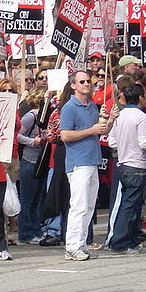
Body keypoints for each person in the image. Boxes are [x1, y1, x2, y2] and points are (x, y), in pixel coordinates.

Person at [58, 69, 116, 261]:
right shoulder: (69, 107)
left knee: (89, 206)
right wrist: (91, 130)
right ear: (73, 85)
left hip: (92, 160)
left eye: (88, 81)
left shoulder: (92, 106)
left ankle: (80, 244)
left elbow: (100, 130)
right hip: (78, 162)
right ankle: (72, 246)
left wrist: (111, 120)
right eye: (82, 82)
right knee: (79, 206)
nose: (86, 84)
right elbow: (65, 135)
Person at [106, 81, 146, 254]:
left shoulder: (119, 115)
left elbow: (111, 141)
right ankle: (120, 242)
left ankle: (131, 240)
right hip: (136, 164)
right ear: (140, 98)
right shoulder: (141, 117)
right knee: (129, 206)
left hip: (122, 163)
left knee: (130, 205)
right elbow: (144, 143)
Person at [16, 88, 48, 244]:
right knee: (27, 199)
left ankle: (35, 228)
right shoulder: (30, 117)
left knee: (37, 198)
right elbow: (17, 135)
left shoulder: (46, 117)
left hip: (41, 161)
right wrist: (32, 142)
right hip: (29, 160)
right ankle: (26, 232)